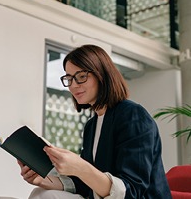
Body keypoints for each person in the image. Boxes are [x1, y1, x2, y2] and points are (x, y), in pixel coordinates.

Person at [18, 44, 172, 199]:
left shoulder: (133, 115)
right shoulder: (92, 125)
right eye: (69, 78)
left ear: (102, 75)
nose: (73, 85)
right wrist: (43, 180)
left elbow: (132, 191)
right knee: (41, 192)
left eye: (81, 76)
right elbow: (86, 186)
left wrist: (80, 167)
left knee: (46, 197)